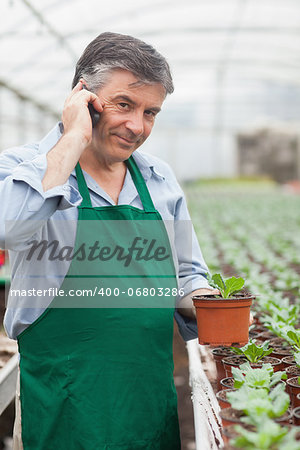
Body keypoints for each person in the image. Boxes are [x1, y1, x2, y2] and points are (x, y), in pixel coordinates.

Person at [0, 32, 216, 450]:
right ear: (83, 97)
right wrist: (74, 136)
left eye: (151, 112)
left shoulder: (159, 179)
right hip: (63, 399)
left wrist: (212, 300)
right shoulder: (23, 168)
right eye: (124, 105)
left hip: (146, 398)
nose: (138, 126)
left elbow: (187, 274)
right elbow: (10, 228)